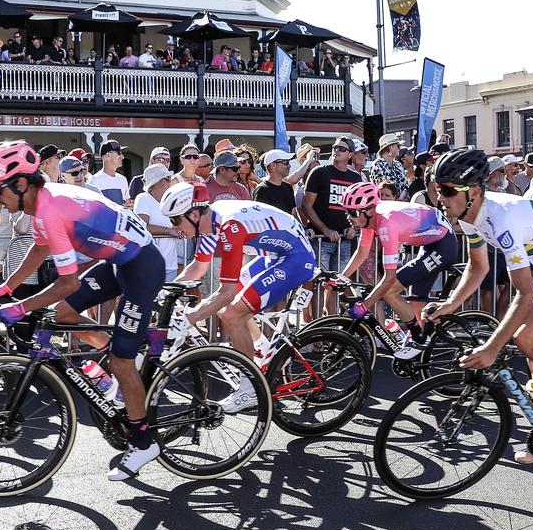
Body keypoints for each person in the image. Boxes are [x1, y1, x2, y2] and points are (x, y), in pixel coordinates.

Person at [0, 141, 164, 481]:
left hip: (141, 264)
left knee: (122, 360)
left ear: (21, 184)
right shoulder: (41, 202)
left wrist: (19, 307)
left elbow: (68, 283)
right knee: (62, 315)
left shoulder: (52, 209)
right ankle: (120, 361)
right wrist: (6, 288)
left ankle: (143, 442)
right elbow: (39, 251)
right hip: (116, 261)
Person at [423, 149, 533, 465]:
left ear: (472, 191)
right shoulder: (472, 216)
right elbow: (478, 266)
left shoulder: (503, 219)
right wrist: (452, 302)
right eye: (436, 189)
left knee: (525, 338)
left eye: (446, 191)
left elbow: (523, 295)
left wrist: (492, 348)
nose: (439, 197)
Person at [163, 181, 316, 410]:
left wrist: (189, 319)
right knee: (227, 310)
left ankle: (250, 387)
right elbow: (197, 267)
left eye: (175, 219)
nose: (175, 227)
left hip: (296, 258)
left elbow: (226, 292)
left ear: (194, 214)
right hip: (274, 255)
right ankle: (259, 348)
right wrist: (166, 294)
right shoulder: (210, 221)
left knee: (232, 314)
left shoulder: (230, 227)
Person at [338, 181, 456, 358]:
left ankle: (419, 339)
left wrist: (365, 305)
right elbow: (361, 253)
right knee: (415, 304)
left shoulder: (386, 224)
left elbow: (389, 278)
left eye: (353, 212)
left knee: (390, 291)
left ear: (369, 210)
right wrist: (341, 278)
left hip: (442, 247)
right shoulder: (370, 219)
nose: (349, 217)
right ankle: (418, 349)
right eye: (346, 211)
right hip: (430, 242)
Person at [301, 137, 363, 314]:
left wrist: (353, 227)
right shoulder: (320, 172)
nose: (336, 150)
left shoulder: (355, 177)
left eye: (342, 149)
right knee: (318, 283)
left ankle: (332, 324)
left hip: (344, 240)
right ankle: (317, 325)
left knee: (336, 285)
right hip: (322, 241)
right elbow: (306, 205)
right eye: (335, 147)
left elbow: (357, 208)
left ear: (350, 154)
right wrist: (325, 229)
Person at [134, 164, 181, 281]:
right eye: (167, 178)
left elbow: (178, 226)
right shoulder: (143, 198)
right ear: (157, 182)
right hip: (148, 265)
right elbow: (141, 227)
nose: (170, 181)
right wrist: (168, 231)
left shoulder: (171, 201)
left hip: (170, 265)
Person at [252, 149, 297, 215]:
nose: (289, 166)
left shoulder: (288, 187)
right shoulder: (262, 190)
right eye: (285, 162)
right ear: (273, 165)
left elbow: (293, 213)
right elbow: (259, 216)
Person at [89, 140, 130, 206]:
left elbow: (127, 205)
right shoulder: (95, 180)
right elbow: (93, 207)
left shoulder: (123, 179)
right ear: (108, 155)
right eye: (119, 153)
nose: (122, 157)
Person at [371, 133, 408, 198]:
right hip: (385, 204)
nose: (399, 149)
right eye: (398, 146)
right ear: (391, 147)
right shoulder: (377, 165)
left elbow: (405, 186)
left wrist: (401, 199)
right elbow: (382, 189)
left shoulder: (398, 164)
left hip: (402, 204)